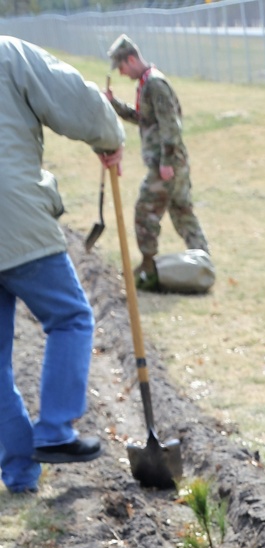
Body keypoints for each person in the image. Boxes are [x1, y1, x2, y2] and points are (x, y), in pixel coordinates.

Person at [0, 38, 124, 494]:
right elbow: (73, 97)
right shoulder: (8, 53)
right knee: (70, 317)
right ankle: (54, 430)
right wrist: (108, 137)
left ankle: (18, 473)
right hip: (15, 219)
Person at [106, 35, 210, 291]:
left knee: (145, 212)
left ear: (131, 59)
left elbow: (170, 126)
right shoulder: (146, 84)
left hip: (167, 165)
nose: (120, 72)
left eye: (121, 67)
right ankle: (203, 261)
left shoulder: (154, 84)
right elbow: (145, 118)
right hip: (173, 163)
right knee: (182, 211)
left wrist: (166, 162)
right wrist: (115, 105)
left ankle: (149, 269)